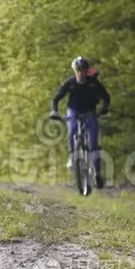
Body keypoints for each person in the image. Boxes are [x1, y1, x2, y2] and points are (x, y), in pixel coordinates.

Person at [49, 56, 111, 188]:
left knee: (93, 141)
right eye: (78, 70)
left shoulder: (93, 83)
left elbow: (106, 97)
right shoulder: (70, 83)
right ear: (74, 71)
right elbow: (56, 98)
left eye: (83, 70)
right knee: (71, 131)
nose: (80, 73)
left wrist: (104, 108)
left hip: (90, 112)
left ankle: (96, 172)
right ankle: (72, 157)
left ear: (87, 70)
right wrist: (54, 111)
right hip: (74, 111)